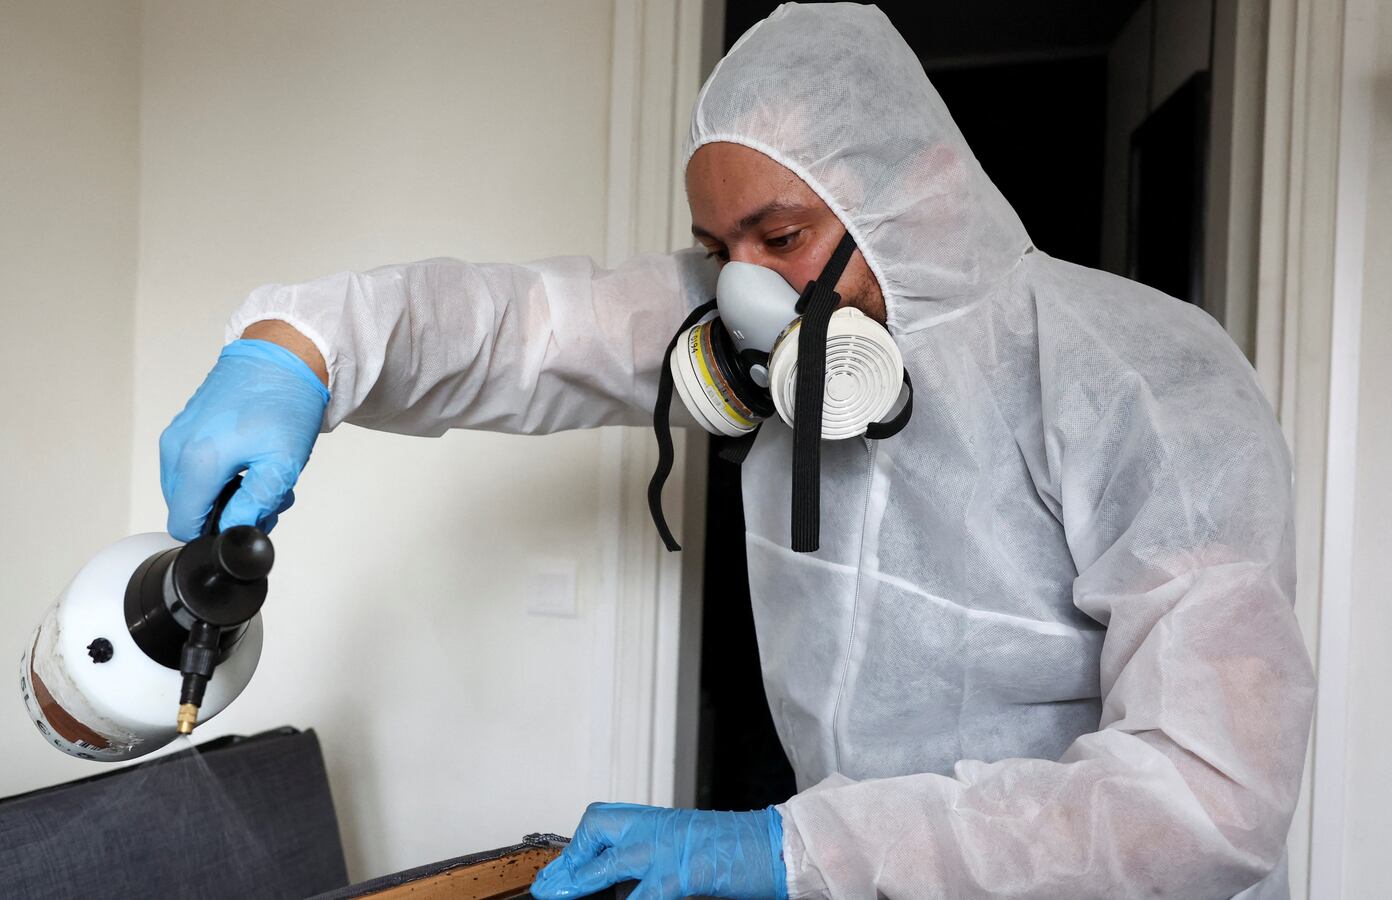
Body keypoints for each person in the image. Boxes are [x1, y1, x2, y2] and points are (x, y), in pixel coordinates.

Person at [157, 5, 1315, 898]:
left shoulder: (1141, 380)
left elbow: (1205, 798)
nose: (747, 291)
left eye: (783, 235)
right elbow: (527, 327)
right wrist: (300, 346)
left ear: (917, 195)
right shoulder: (746, 331)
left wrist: (785, 852)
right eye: (718, 247)